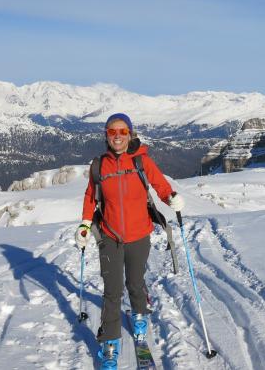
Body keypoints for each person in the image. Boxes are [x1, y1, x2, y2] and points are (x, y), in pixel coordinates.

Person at [75, 113, 185, 368]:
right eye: (112, 131)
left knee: (135, 282)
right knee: (112, 291)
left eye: (123, 131)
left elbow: (160, 185)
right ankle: (110, 343)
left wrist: (172, 198)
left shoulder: (141, 161)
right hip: (109, 236)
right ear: (106, 135)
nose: (117, 136)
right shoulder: (98, 166)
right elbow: (91, 196)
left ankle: (139, 316)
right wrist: (84, 223)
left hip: (139, 236)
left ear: (130, 134)